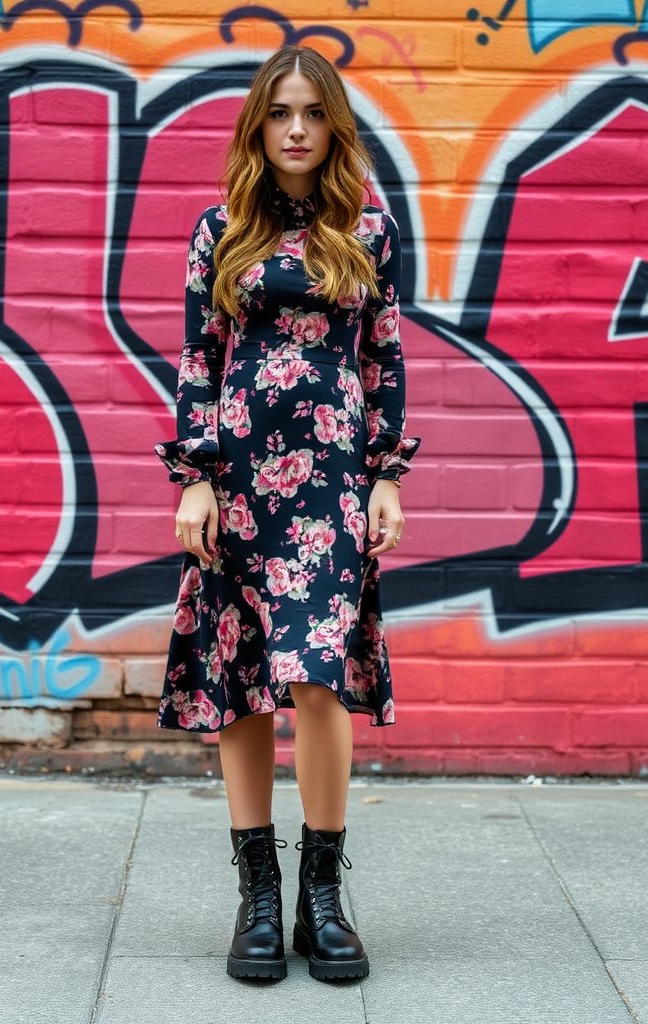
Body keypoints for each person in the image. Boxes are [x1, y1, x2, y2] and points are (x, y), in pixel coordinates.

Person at [154, 45, 419, 983]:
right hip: (239, 481)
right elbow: (198, 359)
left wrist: (387, 475)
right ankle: (257, 897)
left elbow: (384, 358)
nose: (297, 129)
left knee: (317, 677)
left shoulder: (372, 231)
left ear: (333, 125)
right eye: (280, 113)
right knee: (241, 672)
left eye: (312, 113)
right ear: (258, 126)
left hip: (333, 485)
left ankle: (321, 894)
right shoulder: (219, 229)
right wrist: (195, 476)